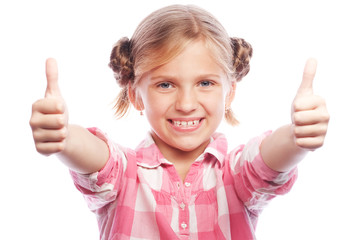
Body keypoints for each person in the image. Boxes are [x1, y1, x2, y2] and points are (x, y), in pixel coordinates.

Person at [29, 4, 329, 240]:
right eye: (165, 85)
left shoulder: (235, 175)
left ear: (229, 92)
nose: (186, 104)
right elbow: (95, 156)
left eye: (206, 83)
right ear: (135, 94)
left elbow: (267, 160)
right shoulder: (124, 175)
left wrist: (295, 138)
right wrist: (64, 137)